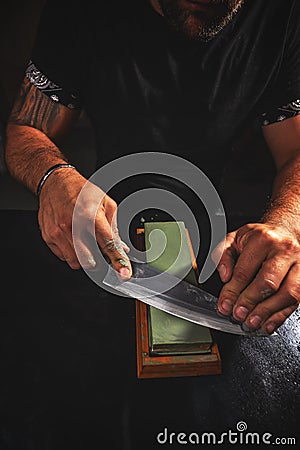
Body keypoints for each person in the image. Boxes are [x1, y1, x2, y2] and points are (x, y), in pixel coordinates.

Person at [4, 0, 300, 336]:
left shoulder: (282, 11)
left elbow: (296, 151)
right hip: (100, 233)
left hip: (231, 246)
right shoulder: (80, 8)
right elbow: (25, 128)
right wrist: (52, 176)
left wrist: (288, 224)